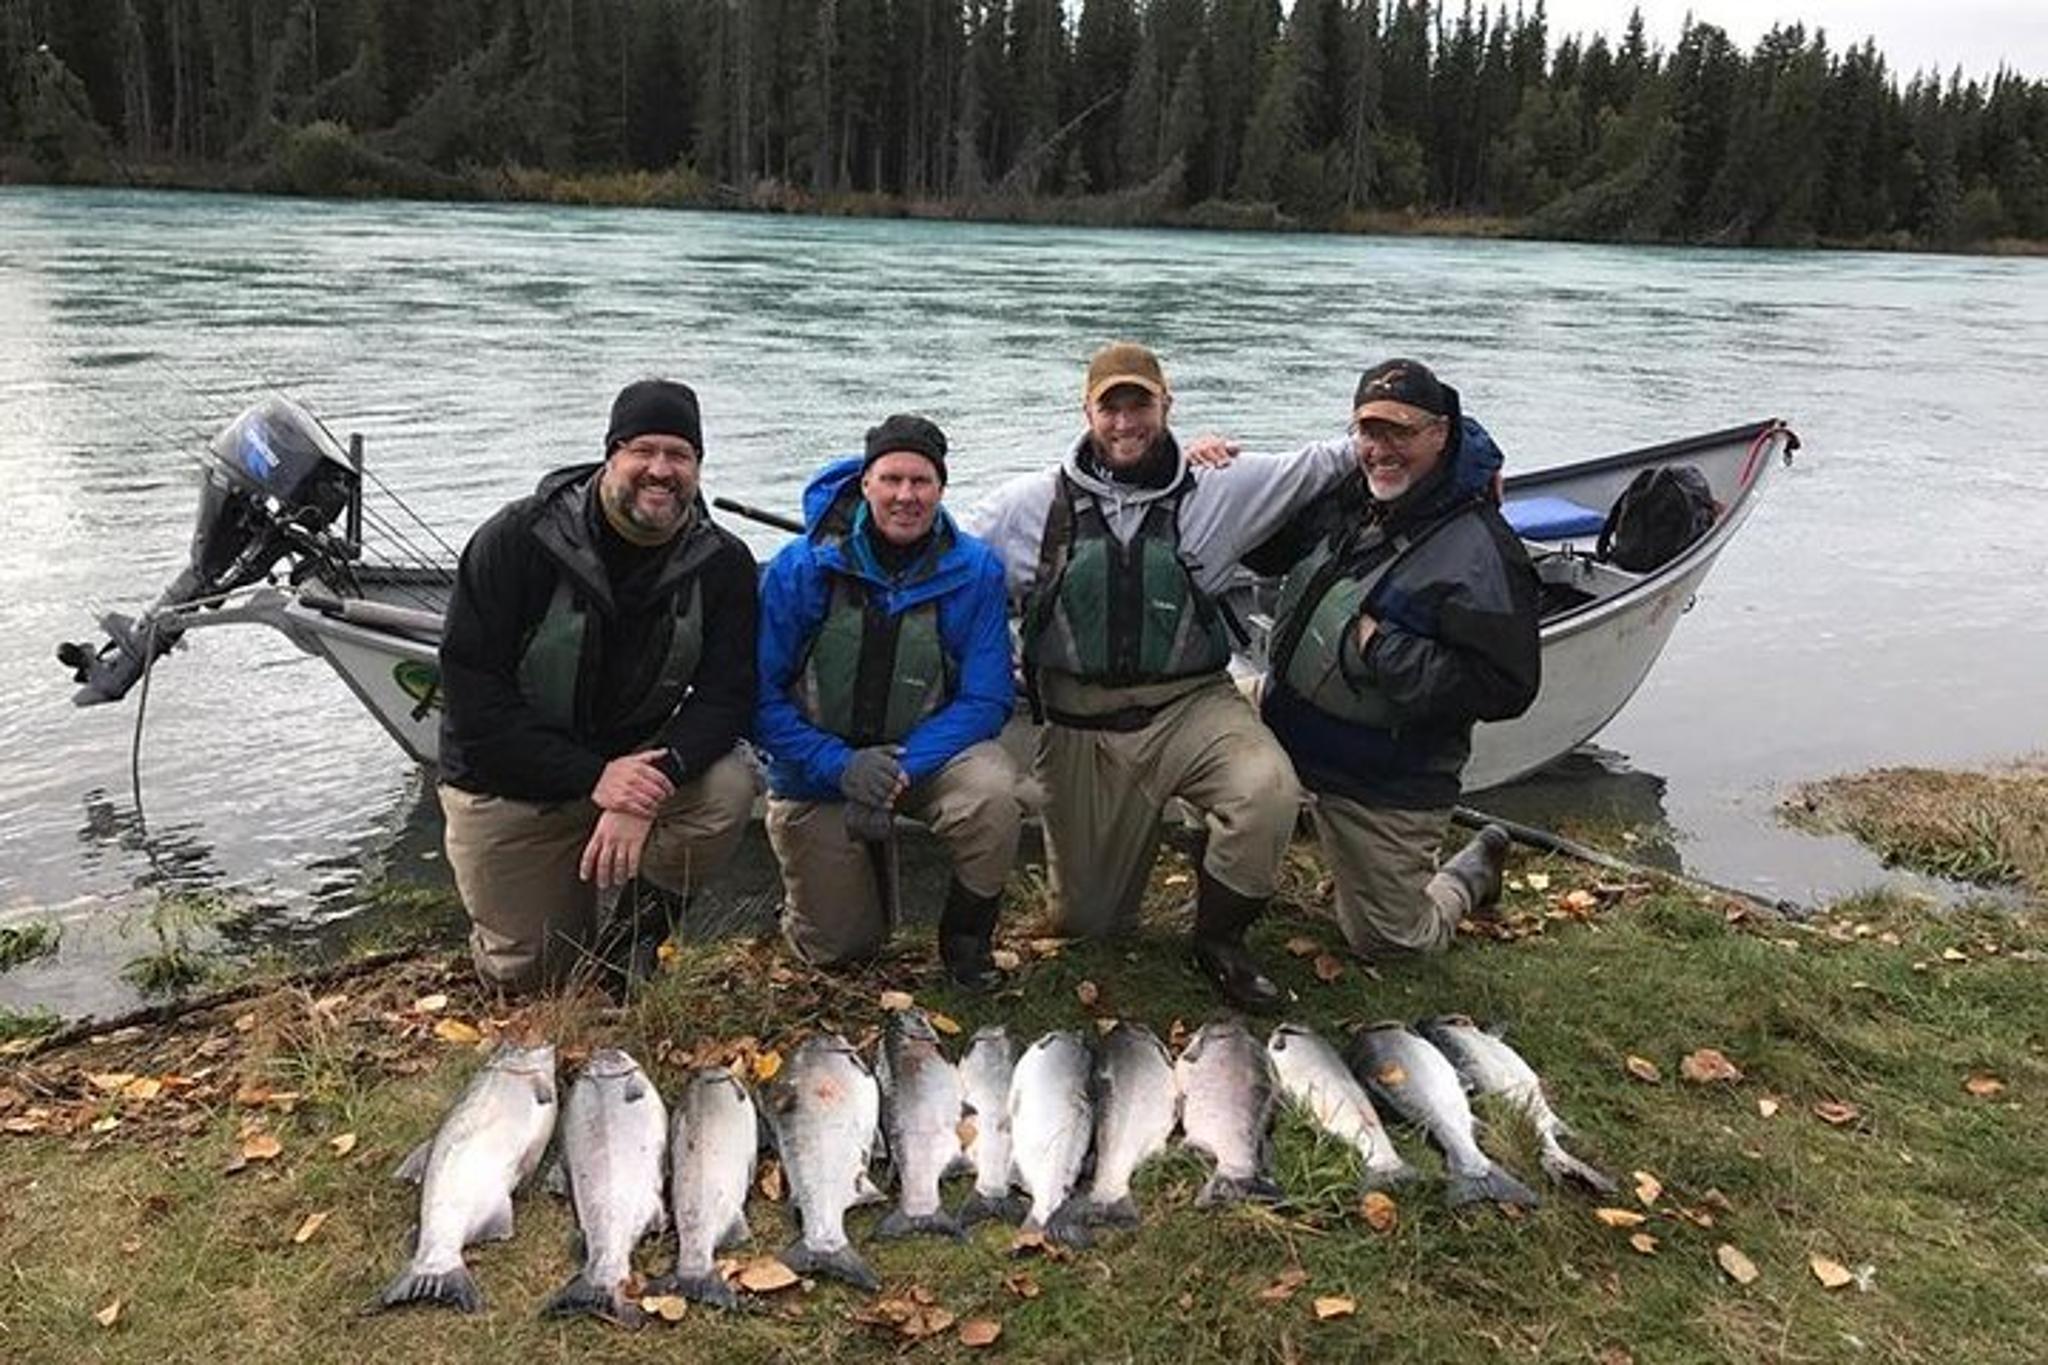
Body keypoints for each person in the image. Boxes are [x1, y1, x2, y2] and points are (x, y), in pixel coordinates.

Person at [969, 342, 1355, 1009]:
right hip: (1081, 725)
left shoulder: (1224, 484)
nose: (1126, 423)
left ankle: (1220, 941)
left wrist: (1468, 459)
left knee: (1267, 789)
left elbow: (1343, 455)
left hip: (1192, 706)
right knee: (1091, 926)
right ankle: (1172, 842)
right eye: (1110, 408)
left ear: (1166, 406)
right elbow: (935, 554)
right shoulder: (1024, 506)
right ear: (1087, 412)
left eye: (1140, 405)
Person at [436, 379, 761, 994]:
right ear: (611, 455)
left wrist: (645, 785)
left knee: (728, 785)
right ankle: (523, 919)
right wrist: (595, 777)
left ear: (697, 466)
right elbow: (475, 707)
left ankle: (629, 945)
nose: (660, 469)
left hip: (631, 769)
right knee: (531, 980)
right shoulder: (515, 540)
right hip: (511, 785)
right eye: (643, 450)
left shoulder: (723, 562)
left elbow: (727, 697)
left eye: (679, 454)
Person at [1252, 358, 1540, 957]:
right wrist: (1219, 468)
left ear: (1440, 433)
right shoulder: (1349, 493)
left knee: (1391, 942)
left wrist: (1382, 647)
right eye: (1368, 431)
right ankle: (1255, 863)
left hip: (1382, 775)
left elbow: (1506, 687)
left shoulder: (1483, 550)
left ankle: (1470, 873)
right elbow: (1266, 550)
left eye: (1400, 432)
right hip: (1285, 724)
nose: (1381, 450)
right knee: (1193, 740)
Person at [754, 414, 1021, 989]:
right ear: (865, 483)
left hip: (923, 760)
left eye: (921, 481)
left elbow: (987, 697)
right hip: (817, 770)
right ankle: (811, 910)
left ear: (941, 488)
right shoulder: (798, 567)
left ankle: (967, 941)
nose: (906, 495)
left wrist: (896, 769)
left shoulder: (975, 570)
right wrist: (839, 765)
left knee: (993, 794)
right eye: (891, 479)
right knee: (841, 951)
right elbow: (758, 696)